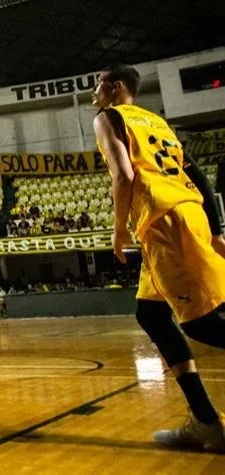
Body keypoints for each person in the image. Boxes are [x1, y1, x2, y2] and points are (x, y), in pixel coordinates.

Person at [92, 64, 225, 451]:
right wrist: (216, 229)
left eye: (97, 83)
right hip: (188, 212)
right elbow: (195, 172)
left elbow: (124, 176)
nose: (93, 91)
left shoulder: (108, 118)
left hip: (163, 220)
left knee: (200, 324)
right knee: (150, 314)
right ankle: (206, 422)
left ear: (115, 87)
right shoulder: (156, 122)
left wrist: (119, 229)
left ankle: (209, 425)